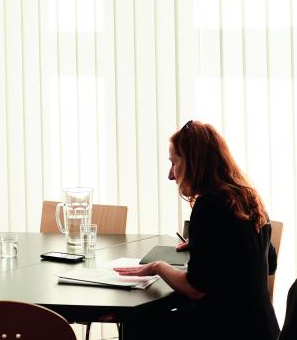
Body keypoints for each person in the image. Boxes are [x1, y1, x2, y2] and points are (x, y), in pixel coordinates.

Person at [115, 120, 279, 340]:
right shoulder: (247, 197)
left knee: (142, 324)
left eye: (174, 163)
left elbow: (195, 289)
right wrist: (212, 245)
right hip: (262, 328)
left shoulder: (209, 205)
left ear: (193, 163)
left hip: (227, 330)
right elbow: (270, 262)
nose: (171, 175)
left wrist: (158, 266)